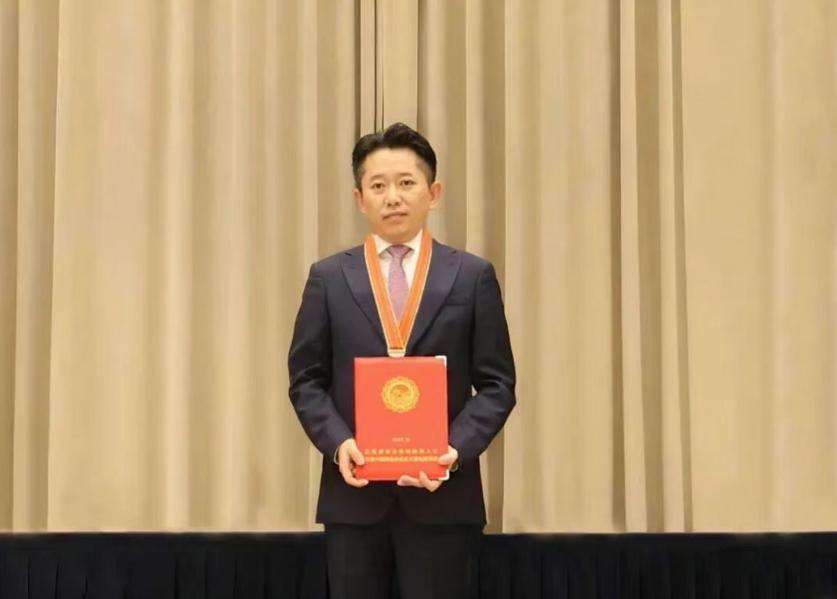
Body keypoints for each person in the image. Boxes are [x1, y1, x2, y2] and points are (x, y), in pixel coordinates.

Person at [288, 122, 516, 599]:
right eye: (378, 186)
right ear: (360, 199)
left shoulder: (471, 275)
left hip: (443, 496)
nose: (392, 197)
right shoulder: (328, 278)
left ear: (433, 193)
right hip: (353, 498)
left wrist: (453, 450)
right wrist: (338, 442)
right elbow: (306, 379)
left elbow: (497, 383)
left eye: (406, 182)